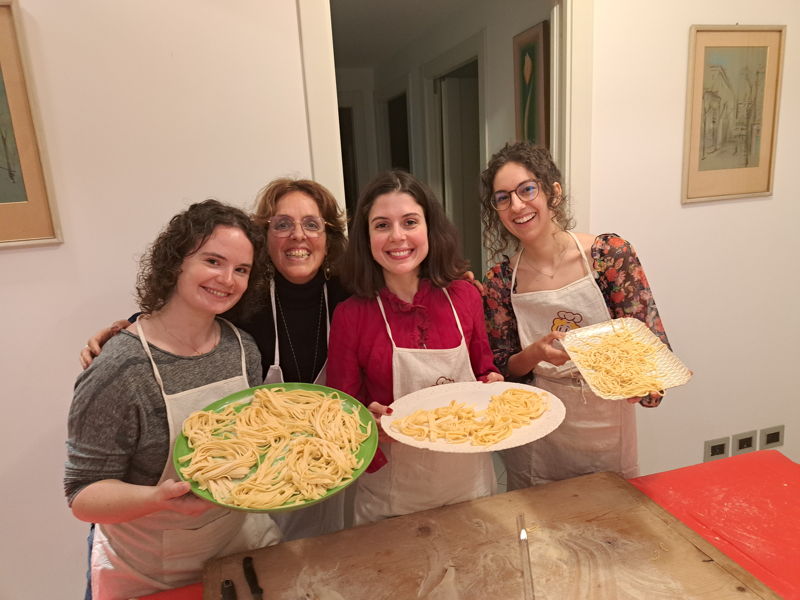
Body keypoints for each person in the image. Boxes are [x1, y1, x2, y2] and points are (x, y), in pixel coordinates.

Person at [78, 178, 351, 542]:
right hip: (248, 495)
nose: (298, 236)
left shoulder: (352, 295)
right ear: (265, 238)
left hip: (328, 474)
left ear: (329, 236)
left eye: (312, 224)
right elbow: (182, 310)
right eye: (282, 224)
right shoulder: (243, 303)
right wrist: (126, 329)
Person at [65, 200, 280, 600]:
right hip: (151, 572)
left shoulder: (242, 348)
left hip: (239, 546)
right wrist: (157, 498)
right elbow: (82, 495)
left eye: (241, 269)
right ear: (176, 262)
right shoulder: (121, 369)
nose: (227, 279)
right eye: (213, 261)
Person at [480, 141, 670, 490]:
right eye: (503, 198)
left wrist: (643, 382)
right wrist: (536, 353)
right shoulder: (499, 281)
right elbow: (503, 368)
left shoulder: (608, 257)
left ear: (554, 192)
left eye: (527, 189)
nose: (517, 205)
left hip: (606, 426)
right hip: (537, 431)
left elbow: (650, 349)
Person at [327, 170, 503, 526]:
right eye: (381, 225)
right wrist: (364, 424)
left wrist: (493, 383)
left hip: (470, 485)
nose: (397, 237)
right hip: (393, 499)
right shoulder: (350, 316)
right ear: (366, 236)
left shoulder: (465, 296)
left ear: (429, 228)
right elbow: (340, 415)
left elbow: (484, 370)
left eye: (410, 222)